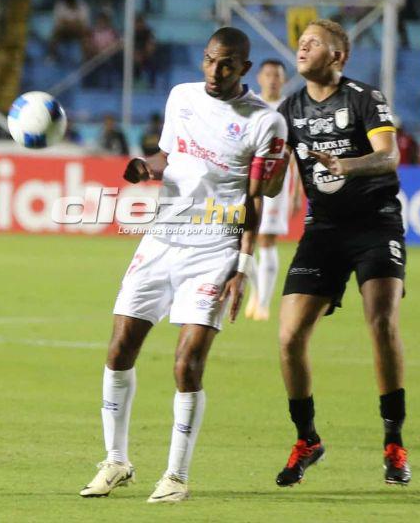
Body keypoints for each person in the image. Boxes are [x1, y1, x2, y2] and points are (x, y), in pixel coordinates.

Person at [79, 27, 288, 503]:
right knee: (118, 349)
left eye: (228, 64)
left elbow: (257, 199)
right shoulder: (182, 97)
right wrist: (146, 167)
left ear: (245, 69)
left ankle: (176, 475)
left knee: (187, 364)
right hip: (161, 240)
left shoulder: (263, 122)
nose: (216, 71)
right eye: (211, 60)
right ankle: (115, 461)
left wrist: (244, 264)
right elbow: (169, 157)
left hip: (215, 250)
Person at [273, 19, 411, 488]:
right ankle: (307, 439)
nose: (302, 47)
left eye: (313, 43)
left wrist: (346, 165)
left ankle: (394, 441)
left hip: (375, 221)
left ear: (338, 56)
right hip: (323, 229)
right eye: (301, 42)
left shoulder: (363, 98)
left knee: (381, 321)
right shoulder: (289, 109)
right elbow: (275, 171)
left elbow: (389, 156)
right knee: (289, 337)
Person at [246, 59, 300, 322]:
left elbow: (296, 153)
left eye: (277, 75)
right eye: (267, 74)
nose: (272, 79)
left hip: (277, 181)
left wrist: (296, 192)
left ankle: (264, 302)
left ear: (284, 80)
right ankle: (256, 291)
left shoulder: (290, 107)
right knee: (243, 238)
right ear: (259, 77)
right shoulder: (251, 105)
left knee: (266, 239)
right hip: (248, 178)